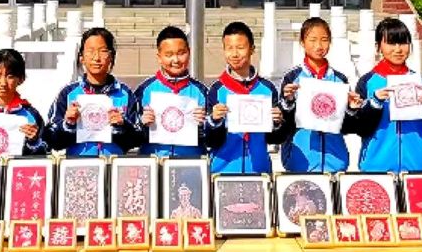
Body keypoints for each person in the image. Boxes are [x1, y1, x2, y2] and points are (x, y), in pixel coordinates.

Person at [349, 18, 422, 173]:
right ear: (378, 47)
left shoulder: (421, 82)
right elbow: (361, 128)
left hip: (416, 166)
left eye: (403, 43)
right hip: (376, 167)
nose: (398, 49)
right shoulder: (368, 82)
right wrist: (375, 103)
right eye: (391, 43)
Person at [279, 17, 362, 172]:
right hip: (301, 163)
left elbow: (346, 126)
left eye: (324, 40)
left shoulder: (340, 79)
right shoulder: (292, 78)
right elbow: (284, 123)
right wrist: (288, 101)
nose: (319, 45)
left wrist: (352, 109)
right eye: (312, 40)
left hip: (335, 162)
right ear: (302, 42)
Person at [202, 22, 287, 174]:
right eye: (229, 48)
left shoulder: (267, 89)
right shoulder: (216, 90)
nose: (234, 54)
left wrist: (277, 123)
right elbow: (210, 140)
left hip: (259, 170)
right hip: (223, 171)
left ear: (252, 49)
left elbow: (275, 139)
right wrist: (214, 121)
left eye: (240, 48)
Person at [46, 28, 138, 156]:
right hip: (78, 165)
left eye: (103, 51)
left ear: (111, 57)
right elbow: (51, 140)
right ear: (81, 57)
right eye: (90, 51)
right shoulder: (67, 94)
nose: (96, 58)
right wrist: (68, 124)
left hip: (113, 164)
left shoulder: (125, 94)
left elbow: (137, 140)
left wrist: (122, 126)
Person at [131, 27, 208, 159]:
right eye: (169, 55)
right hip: (155, 162)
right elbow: (131, 135)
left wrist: (205, 123)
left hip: (191, 163)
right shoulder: (145, 90)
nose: (176, 60)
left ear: (189, 53)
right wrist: (141, 123)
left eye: (181, 53)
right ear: (159, 57)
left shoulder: (201, 91)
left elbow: (213, 136)